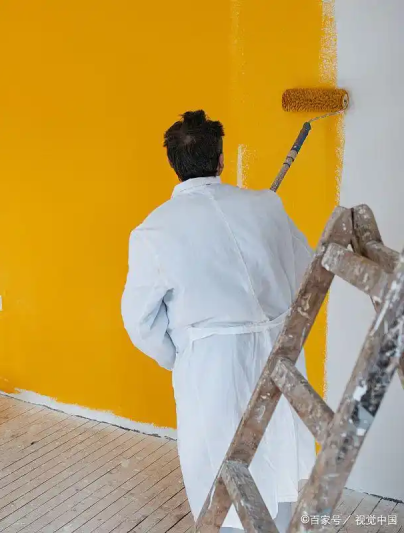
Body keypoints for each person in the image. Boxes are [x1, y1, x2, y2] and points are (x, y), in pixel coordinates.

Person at [120, 111, 316, 531]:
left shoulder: (154, 231)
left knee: (222, 465)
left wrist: (182, 355)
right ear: (221, 159)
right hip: (278, 351)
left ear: (173, 164)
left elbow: (139, 321)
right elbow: (306, 270)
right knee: (280, 451)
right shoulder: (266, 206)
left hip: (212, 366)